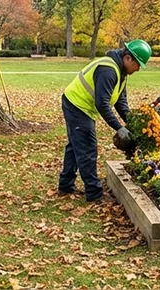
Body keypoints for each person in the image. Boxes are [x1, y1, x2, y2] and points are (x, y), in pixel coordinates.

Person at [59, 39, 152, 201]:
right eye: (138, 65)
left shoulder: (121, 72)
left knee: (75, 146)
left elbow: (120, 101)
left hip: (80, 105)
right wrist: (119, 128)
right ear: (128, 58)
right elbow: (102, 103)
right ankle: (94, 194)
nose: (138, 69)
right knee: (87, 148)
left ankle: (66, 186)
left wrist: (131, 122)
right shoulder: (108, 70)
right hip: (77, 105)